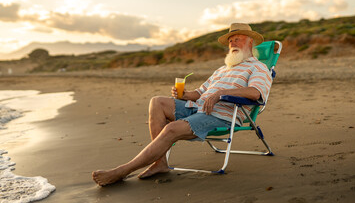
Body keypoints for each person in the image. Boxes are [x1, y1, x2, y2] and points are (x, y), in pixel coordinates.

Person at [92, 23, 272, 186]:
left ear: (250, 43)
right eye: (230, 41)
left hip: (221, 116)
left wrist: (220, 93)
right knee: (157, 102)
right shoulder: (222, 69)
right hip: (197, 108)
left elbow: (256, 93)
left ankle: (122, 171)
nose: (232, 44)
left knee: (171, 129)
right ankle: (160, 163)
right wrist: (185, 95)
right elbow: (200, 93)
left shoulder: (258, 68)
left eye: (237, 39)